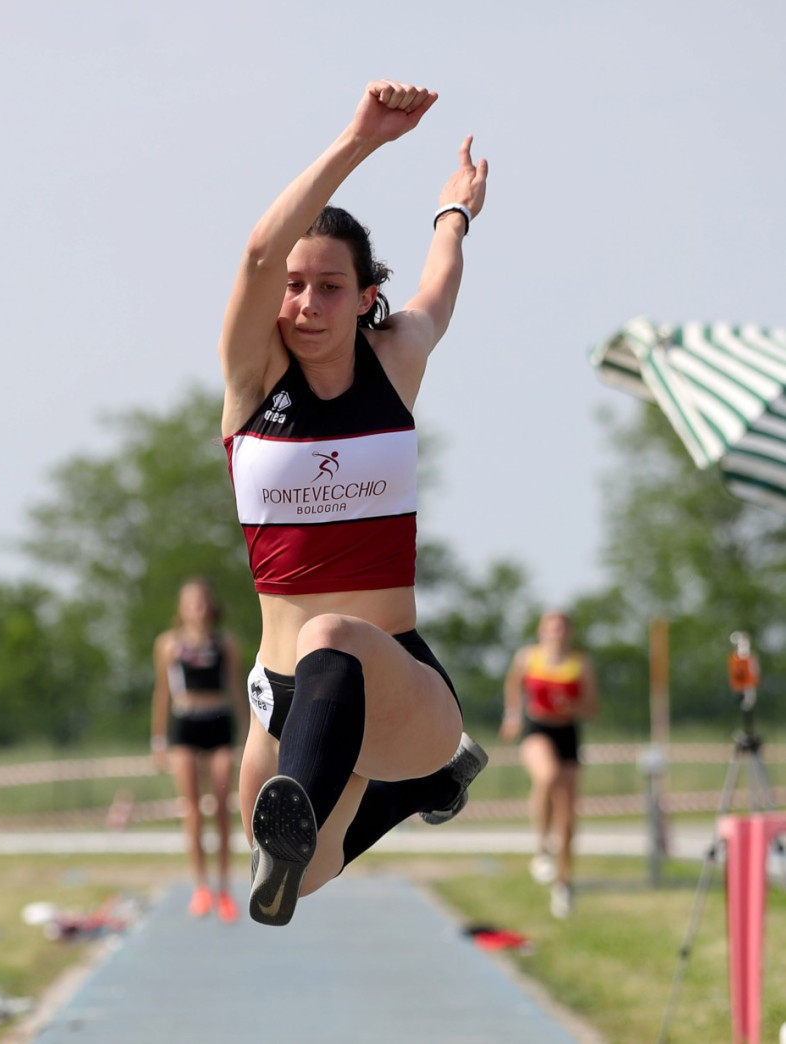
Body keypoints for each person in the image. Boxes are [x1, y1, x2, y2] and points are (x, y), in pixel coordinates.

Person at [219, 79, 490, 927]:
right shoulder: (252, 382)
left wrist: (454, 213)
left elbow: (439, 285)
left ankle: (415, 771)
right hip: (279, 695)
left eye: (330, 286)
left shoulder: (395, 359)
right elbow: (258, 254)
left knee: (330, 635)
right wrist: (360, 137)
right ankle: (420, 791)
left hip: (397, 681)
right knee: (298, 876)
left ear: (367, 295)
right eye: (295, 285)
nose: (306, 303)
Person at [151, 577, 247, 923]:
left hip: (218, 723)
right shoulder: (168, 644)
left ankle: (224, 888)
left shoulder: (226, 643)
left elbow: (237, 689)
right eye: (191, 601)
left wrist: (248, 736)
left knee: (221, 808)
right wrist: (158, 739)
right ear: (181, 608)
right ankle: (201, 887)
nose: (198, 607)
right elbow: (162, 692)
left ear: (212, 605)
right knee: (191, 810)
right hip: (185, 725)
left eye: (203, 600)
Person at [501, 610, 598, 919]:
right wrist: (512, 716)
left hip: (567, 733)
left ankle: (564, 884)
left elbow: (592, 707)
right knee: (548, 775)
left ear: (569, 632)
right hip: (537, 730)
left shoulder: (580, 663)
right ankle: (541, 848)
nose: (557, 633)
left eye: (562, 628)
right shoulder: (528, 657)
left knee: (568, 816)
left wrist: (572, 706)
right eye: (551, 628)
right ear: (541, 630)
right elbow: (513, 686)